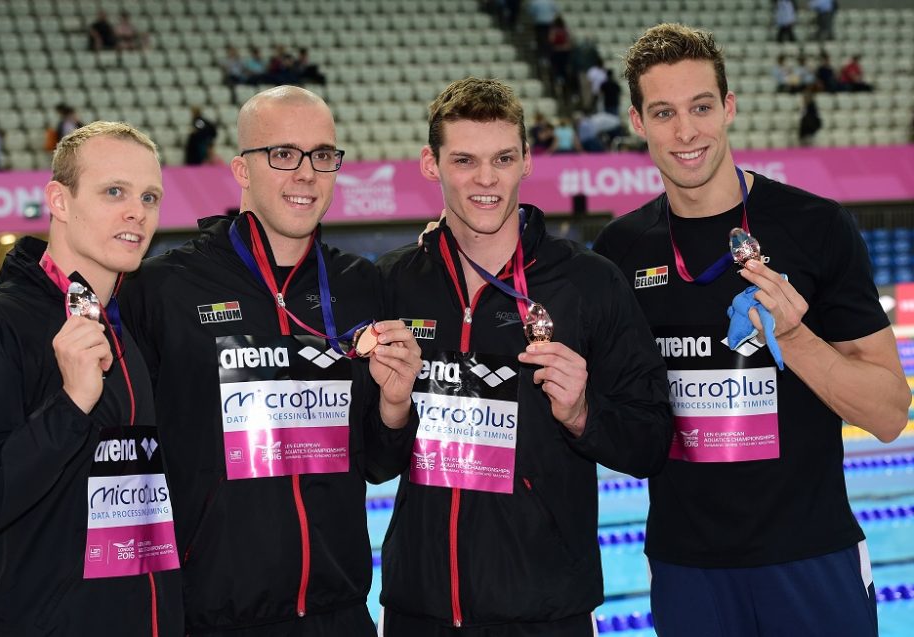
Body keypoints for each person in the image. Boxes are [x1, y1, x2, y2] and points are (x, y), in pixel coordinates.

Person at [594, 23, 910, 637]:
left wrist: (794, 338)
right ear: (637, 121)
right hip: (688, 568)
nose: (686, 132)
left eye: (701, 107)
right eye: (664, 112)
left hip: (812, 556)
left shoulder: (816, 227)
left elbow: (890, 412)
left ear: (730, 107)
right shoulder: (620, 250)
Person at [118, 86, 422, 635]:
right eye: (283, 154)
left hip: (340, 613)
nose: (306, 173)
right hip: (215, 617)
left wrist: (396, 405)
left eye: (323, 155)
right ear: (241, 169)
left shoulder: (360, 286)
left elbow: (378, 463)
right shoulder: (165, 290)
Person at [376, 77, 673, 636]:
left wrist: (583, 414)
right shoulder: (395, 282)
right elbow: (371, 461)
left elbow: (652, 440)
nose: (485, 180)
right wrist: (391, 410)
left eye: (502, 159)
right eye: (464, 160)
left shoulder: (587, 284)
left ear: (527, 161)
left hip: (545, 610)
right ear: (430, 163)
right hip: (420, 609)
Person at [0, 121, 183, 635]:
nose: (138, 211)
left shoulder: (125, 332)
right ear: (59, 202)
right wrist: (69, 405)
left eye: (149, 196)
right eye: (114, 192)